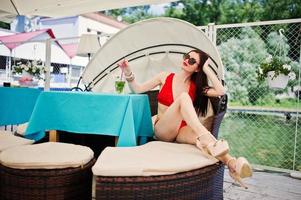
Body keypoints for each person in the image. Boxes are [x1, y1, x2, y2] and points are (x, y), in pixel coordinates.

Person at [118, 49, 252, 188]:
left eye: (193, 61)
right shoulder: (165, 77)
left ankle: (232, 164)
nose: (187, 60)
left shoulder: (197, 87)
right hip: (162, 130)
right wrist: (127, 71)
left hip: (181, 131)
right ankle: (207, 137)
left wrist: (206, 69)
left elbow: (221, 92)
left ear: (197, 69)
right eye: (187, 57)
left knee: (201, 138)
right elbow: (138, 89)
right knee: (184, 98)